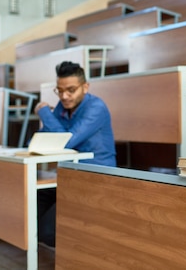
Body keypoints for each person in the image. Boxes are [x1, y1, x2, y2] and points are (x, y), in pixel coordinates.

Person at [33, 61, 117, 247]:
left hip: (96, 179)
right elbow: (49, 138)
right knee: (29, 207)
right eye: (60, 91)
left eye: (71, 90)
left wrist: (44, 112)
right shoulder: (64, 107)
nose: (64, 96)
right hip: (69, 176)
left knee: (48, 232)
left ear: (85, 87)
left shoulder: (96, 108)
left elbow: (66, 141)